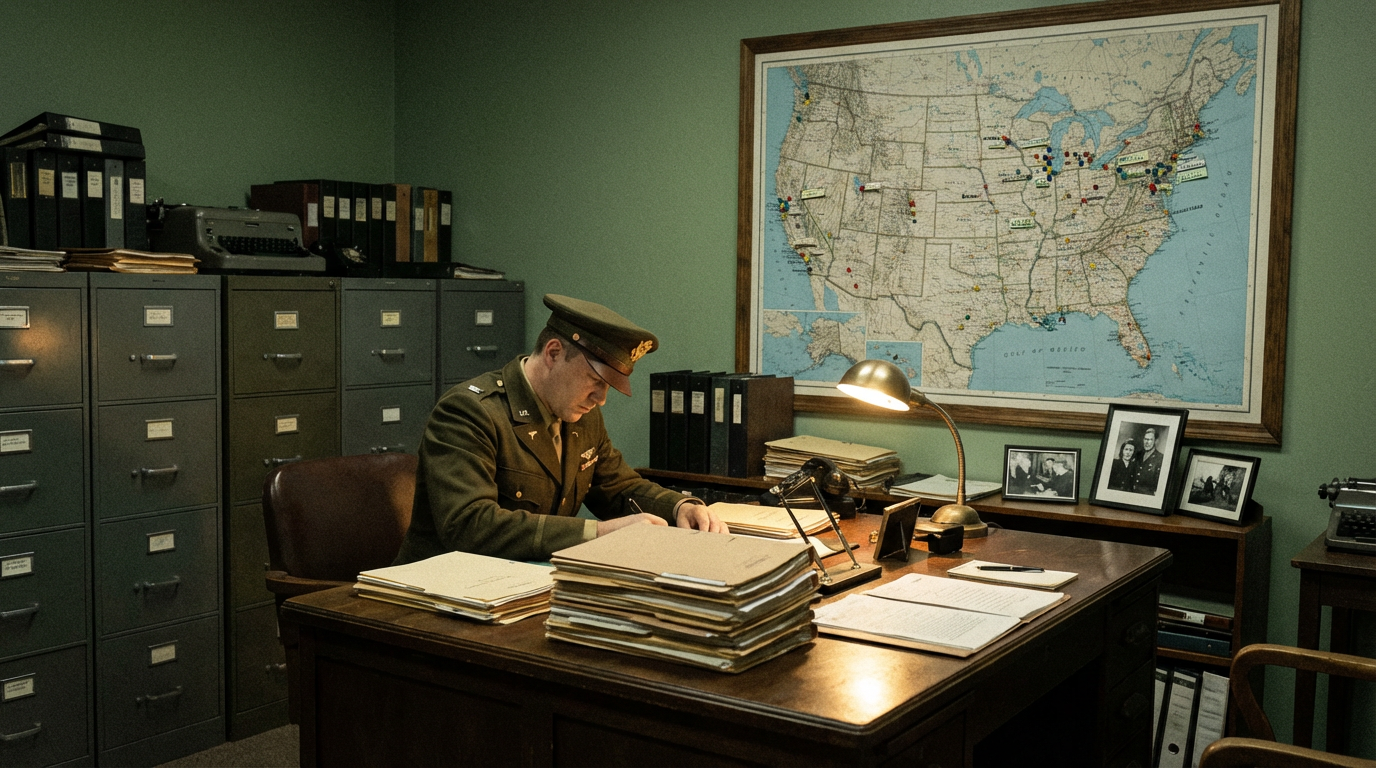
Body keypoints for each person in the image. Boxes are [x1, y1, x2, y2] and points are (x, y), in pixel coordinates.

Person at [392, 294, 727, 564]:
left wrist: (680, 508)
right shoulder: (470, 412)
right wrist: (598, 533)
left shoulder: (579, 413)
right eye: (595, 380)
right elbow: (470, 525)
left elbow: (618, 486)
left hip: (524, 587)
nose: (601, 398)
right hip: (442, 594)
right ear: (553, 353)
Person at [1132, 427, 1164, 493]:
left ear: (1155, 441)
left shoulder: (1160, 458)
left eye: (1150, 440)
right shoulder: (1138, 454)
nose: (1147, 442)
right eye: (1145, 439)